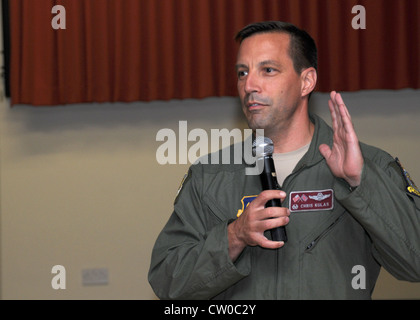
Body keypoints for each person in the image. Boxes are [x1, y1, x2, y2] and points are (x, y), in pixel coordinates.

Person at [148, 21, 420, 299]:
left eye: (268, 70)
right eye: (242, 72)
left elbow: (415, 263)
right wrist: (234, 236)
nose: (249, 85)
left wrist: (361, 182)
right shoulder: (210, 175)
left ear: (306, 81)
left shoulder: (369, 166)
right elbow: (167, 283)